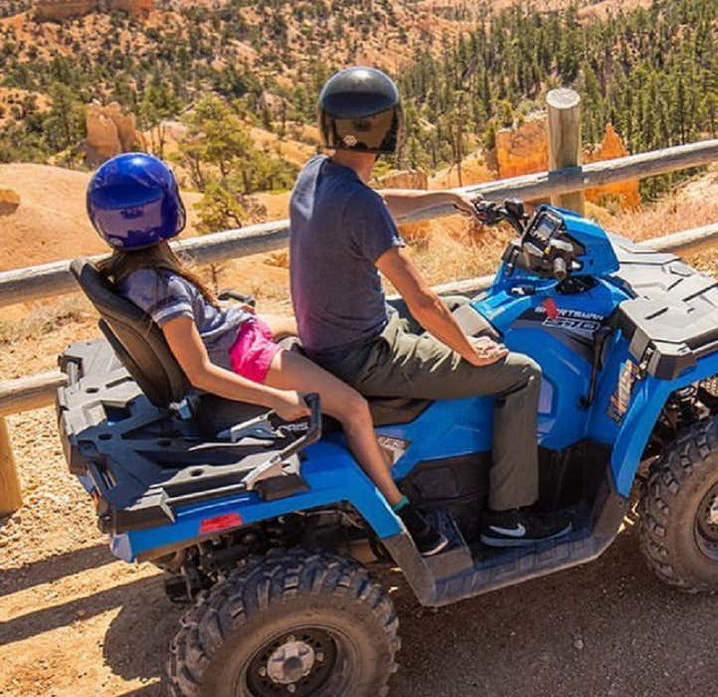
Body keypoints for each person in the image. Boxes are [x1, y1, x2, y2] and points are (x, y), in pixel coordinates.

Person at [86, 152, 449, 556]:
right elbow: (200, 372)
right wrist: (277, 399)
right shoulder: (164, 286)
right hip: (243, 355)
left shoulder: (127, 272)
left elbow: (191, 331)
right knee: (353, 406)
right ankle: (403, 513)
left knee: (316, 325)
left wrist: (222, 312)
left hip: (232, 334)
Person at [288, 66, 571, 548]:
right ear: (388, 128)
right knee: (521, 373)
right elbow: (422, 302)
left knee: (465, 305)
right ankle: (509, 518)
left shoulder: (317, 174)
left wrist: (444, 197)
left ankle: (474, 430)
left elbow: (376, 201)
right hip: (366, 355)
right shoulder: (358, 206)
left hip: (335, 339)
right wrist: (471, 352)